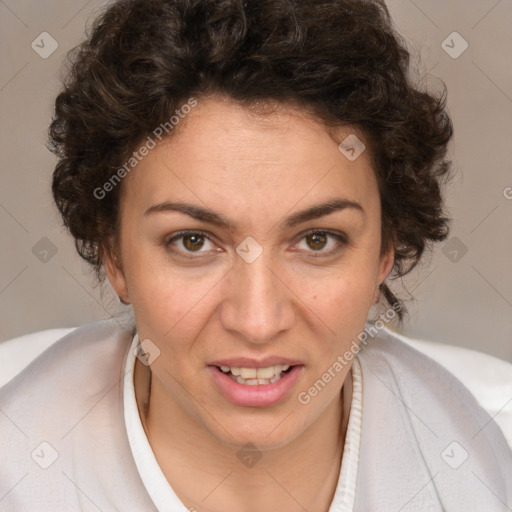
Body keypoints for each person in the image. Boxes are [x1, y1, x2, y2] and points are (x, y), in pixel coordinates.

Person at [1, 0, 511, 510]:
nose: (258, 321)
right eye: (193, 241)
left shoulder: (495, 448)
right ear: (114, 256)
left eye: (317, 240)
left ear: (385, 249)